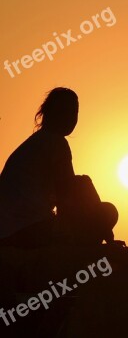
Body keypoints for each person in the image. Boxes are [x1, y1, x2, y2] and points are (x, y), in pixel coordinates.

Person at [0, 87, 118, 247]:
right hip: (28, 231)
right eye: (65, 111)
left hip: (8, 231)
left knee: (84, 184)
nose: (71, 118)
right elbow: (67, 192)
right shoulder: (56, 142)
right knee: (107, 210)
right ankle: (88, 246)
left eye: (74, 112)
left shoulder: (34, 143)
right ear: (50, 113)